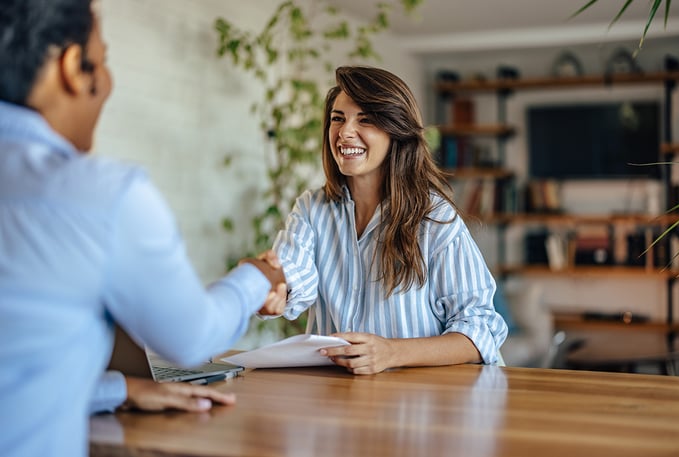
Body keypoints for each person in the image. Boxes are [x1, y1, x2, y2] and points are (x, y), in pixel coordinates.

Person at [0, 1, 285, 456]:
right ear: (75, 67)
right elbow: (191, 337)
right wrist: (259, 276)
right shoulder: (102, 195)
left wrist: (119, 390)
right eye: (104, 58)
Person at [268, 66, 508, 374]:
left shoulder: (433, 218)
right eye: (338, 118)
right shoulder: (312, 208)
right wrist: (269, 288)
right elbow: (290, 272)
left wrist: (391, 353)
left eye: (365, 120)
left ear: (396, 131)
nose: (345, 132)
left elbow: (481, 331)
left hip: (419, 406)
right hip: (339, 397)